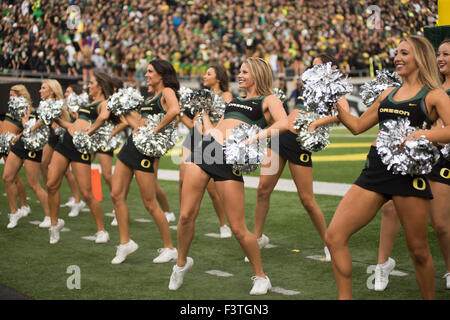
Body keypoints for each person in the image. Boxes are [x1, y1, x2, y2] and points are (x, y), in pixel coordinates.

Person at [325, 35, 450, 300]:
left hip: (409, 177)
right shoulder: (387, 94)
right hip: (375, 173)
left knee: (418, 251)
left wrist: (421, 136)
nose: (397, 58)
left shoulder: (434, 95)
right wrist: (334, 100)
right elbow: (358, 127)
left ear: (419, 57)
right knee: (334, 236)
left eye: (404, 53)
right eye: (396, 53)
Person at [169, 57, 288, 295]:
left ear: (258, 74)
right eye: (240, 72)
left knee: (238, 227)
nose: (240, 75)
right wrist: (203, 114)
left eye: (245, 72)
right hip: (205, 150)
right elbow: (213, 129)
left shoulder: (268, 99)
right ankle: (181, 263)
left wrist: (256, 138)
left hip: (229, 161)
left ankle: (261, 276)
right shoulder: (234, 102)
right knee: (185, 216)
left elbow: (285, 123)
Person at [251, 54, 349, 261]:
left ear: (329, 68)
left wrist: (315, 124)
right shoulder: (307, 85)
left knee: (307, 199)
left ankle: (328, 242)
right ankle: (257, 238)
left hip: (299, 143)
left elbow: (344, 114)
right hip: (281, 138)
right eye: (312, 66)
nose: (314, 69)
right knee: (262, 189)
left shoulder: (334, 89)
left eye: (318, 66)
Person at [373, 38, 450, 291]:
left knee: (440, 223)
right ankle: (383, 263)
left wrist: (427, 134)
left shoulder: (437, 94)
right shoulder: (432, 89)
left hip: (442, 157)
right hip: (423, 158)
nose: (441, 59)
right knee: (390, 209)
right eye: (439, 54)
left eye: (447, 54)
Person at [110, 59, 179, 264]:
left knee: (149, 202)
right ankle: (125, 243)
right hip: (131, 145)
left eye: (150, 71)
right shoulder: (151, 97)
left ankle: (169, 248)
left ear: (161, 74)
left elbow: (174, 111)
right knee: (116, 194)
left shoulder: (167, 92)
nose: (147, 75)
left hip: (145, 153)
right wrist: (123, 112)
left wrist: (156, 129)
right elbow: (139, 125)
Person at [46, 72, 114, 244]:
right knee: (51, 184)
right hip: (66, 142)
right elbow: (74, 125)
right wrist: (57, 121)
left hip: (80, 148)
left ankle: (101, 230)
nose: (88, 86)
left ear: (100, 85)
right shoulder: (88, 103)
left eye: (91, 83)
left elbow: (104, 116)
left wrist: (89, 132)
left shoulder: (103, 103)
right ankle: (54, 224)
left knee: (86, 192)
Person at [178, 65, 233, 238]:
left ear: (218, 78)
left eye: (208, 74)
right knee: (181, 180)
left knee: (211, 189)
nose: (204, 76)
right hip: (194, 137)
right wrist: (179, 113)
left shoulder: (226, 96)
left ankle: (224, 224)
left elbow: (228, 120)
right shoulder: (201, 95)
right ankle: (184, 218)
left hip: (211, 139)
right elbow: (194, 123)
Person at [1, 85, 32, 227]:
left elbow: (28, 128)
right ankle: (20, 208)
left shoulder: (24, 108)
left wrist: (15, 138)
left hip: (11, 145)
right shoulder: (10, 108)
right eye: (9, 95)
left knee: (13, 178)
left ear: (21, 95)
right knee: (10, 178)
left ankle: (24, 205)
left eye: (12, 95)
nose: (10, 97)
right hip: (2, 143)